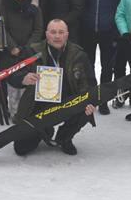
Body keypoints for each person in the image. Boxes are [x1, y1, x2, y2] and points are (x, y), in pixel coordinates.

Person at [9, 19, 98, 156]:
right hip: (37, 104)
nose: (57, 36)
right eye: (53, 32)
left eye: (61, 32)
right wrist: (24, 78)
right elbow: (12, 74)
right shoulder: (33, 51)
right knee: (21, 148)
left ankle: (64, 138)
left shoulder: (79, 55)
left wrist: (89, 102)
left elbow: (90, 83)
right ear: (47, 34)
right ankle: (44, 130)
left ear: (67, 34)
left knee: (85, 109)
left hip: (68, 102)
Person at [79, 0, 126, 115]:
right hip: (88, 28)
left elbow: (123, 3)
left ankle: (103, 99)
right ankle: (90, 98)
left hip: (109, 29)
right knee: (88, 65)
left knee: (107, 67)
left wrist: (118, 27)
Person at [0, 0, 44, 112]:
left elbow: (38, 29)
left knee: (28, 80)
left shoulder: (34, 8)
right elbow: (3, 28)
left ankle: (26, 110)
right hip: (11, 51)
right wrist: (12, 46)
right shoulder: (6, 7)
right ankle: (14, 110)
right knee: (14, 80)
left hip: (29, 51)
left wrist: (28, 47)